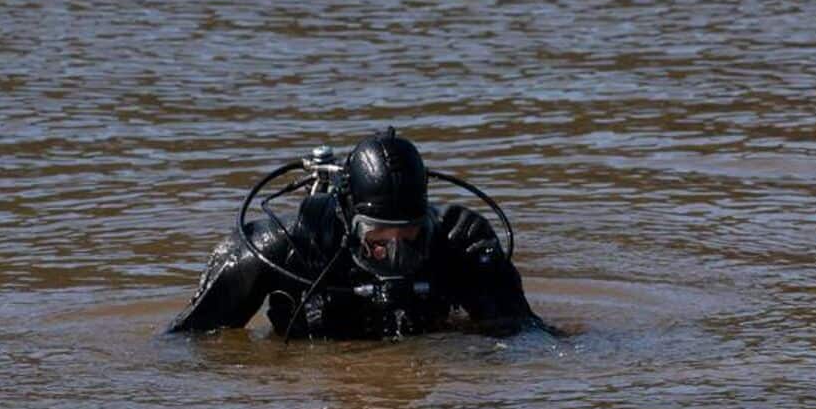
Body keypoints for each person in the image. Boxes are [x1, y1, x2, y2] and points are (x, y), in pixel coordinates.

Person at [168, 128, 546, 340]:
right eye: (378, 240)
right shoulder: (282, 246)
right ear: (350, 223)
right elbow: (188, 342)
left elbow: (527, 336)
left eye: (410, 236)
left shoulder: (460, 243)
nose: (396, 253)